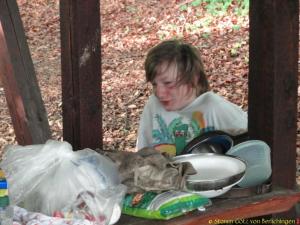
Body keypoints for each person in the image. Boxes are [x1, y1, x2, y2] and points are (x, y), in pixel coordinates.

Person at [136, 39, 247, 156]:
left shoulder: (213, 107)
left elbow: (251, 139)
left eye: (168, 83)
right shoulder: (153, 106)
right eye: (154, 84)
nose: (160, 93)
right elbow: (143, 153)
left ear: (192, 79)